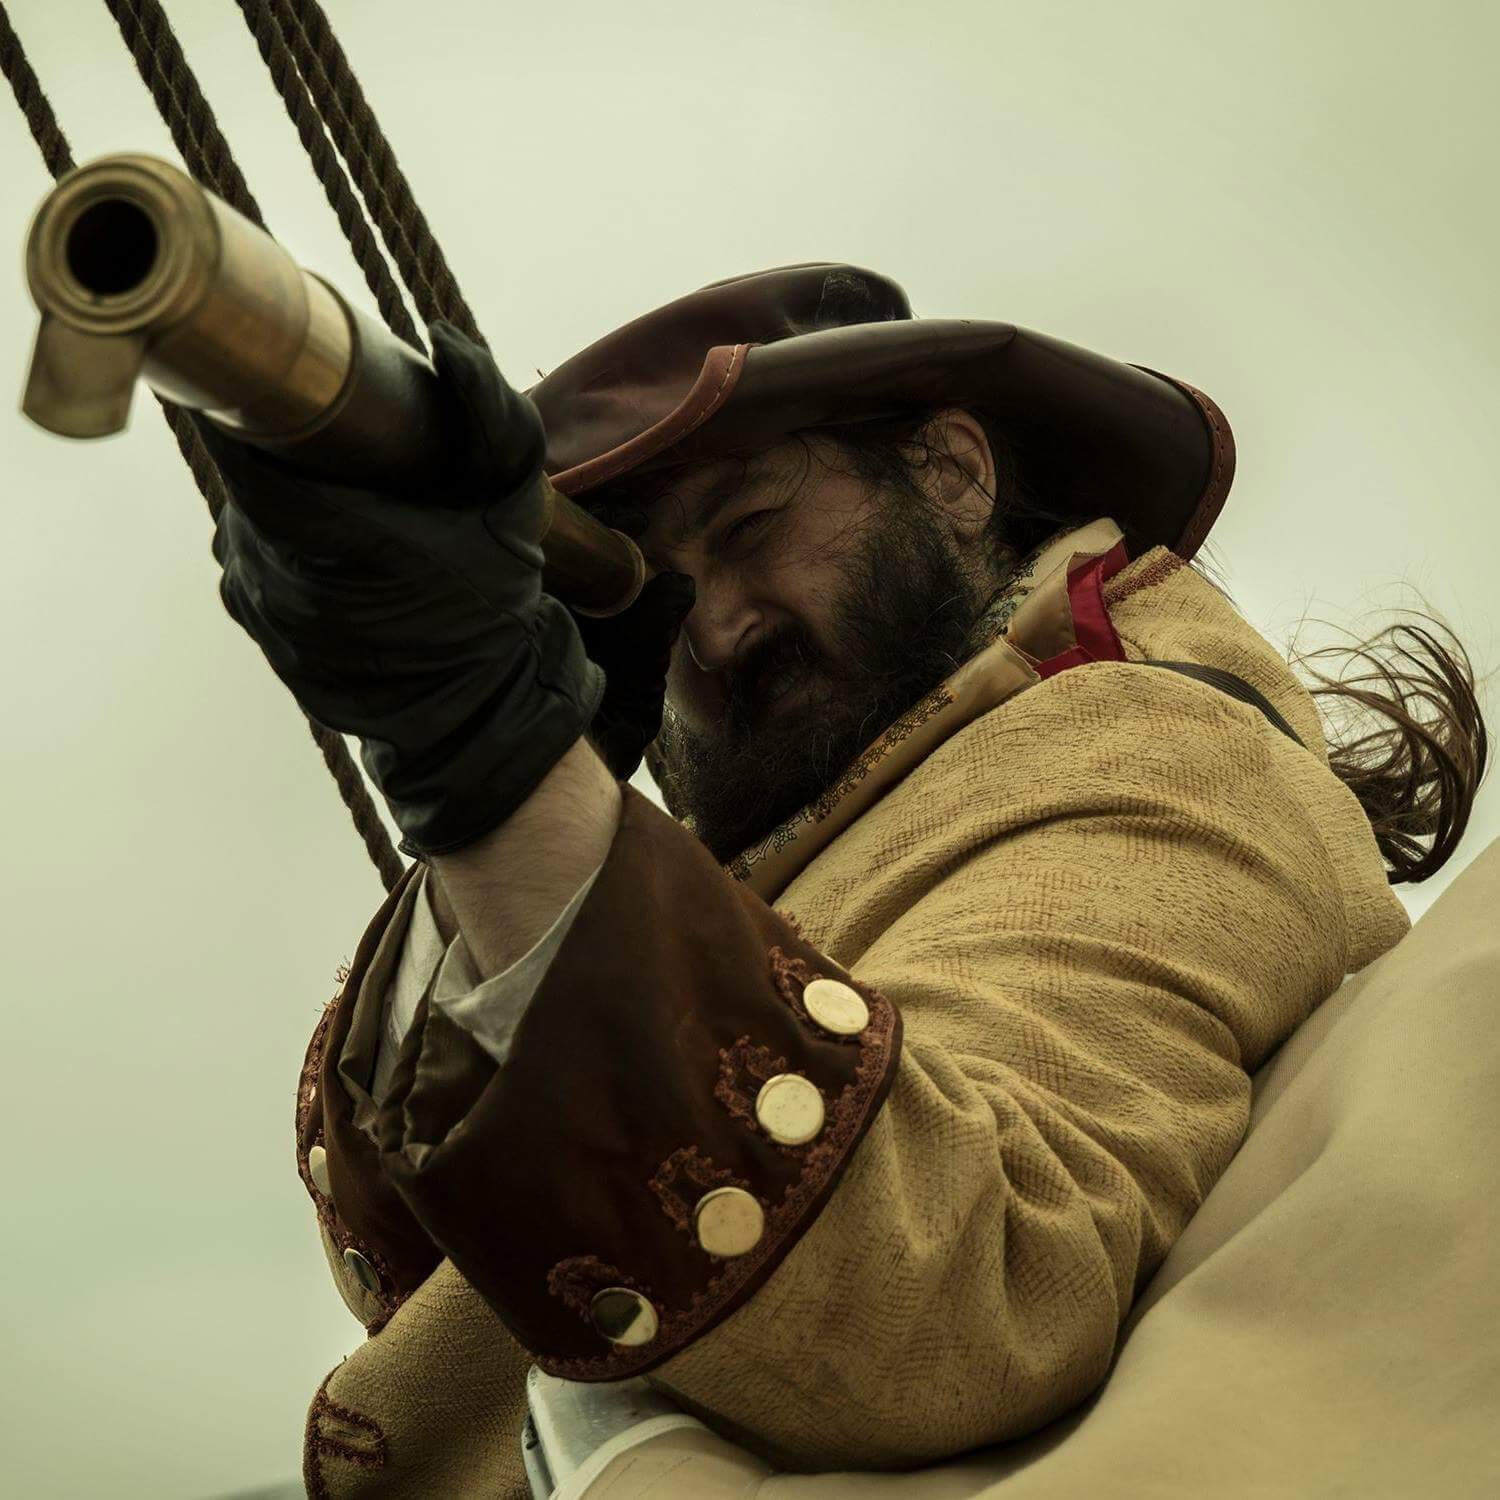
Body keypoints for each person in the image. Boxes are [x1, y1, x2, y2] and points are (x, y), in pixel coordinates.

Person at [197, 264, 1487, 1498]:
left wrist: (490, 759)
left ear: (953, 473)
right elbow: (422, 1256)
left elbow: (958, 1295)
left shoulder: (1151, 744)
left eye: (751, 528)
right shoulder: (817, 830)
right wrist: (525, 786)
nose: (715, 631)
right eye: (662, 593)